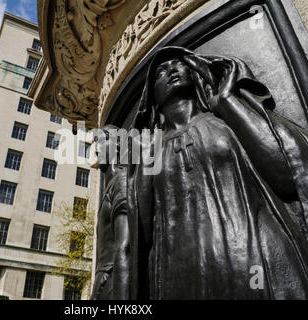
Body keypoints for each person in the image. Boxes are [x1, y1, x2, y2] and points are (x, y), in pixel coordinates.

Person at [128, 46, 308, 299]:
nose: (171, 70)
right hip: (183, 279)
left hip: (259, 260)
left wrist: (227, 102)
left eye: (178, 64)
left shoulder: (224, 120)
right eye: (160, 72)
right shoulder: (150, 153)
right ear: (152, 99)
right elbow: (142, 232)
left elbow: (289, 177)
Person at [91, 125, 130, 300]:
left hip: (112, 281)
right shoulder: (111, 185)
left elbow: (125, 247)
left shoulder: (122, 183)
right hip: (104, 280)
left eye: (100, 141)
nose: (96, 149)